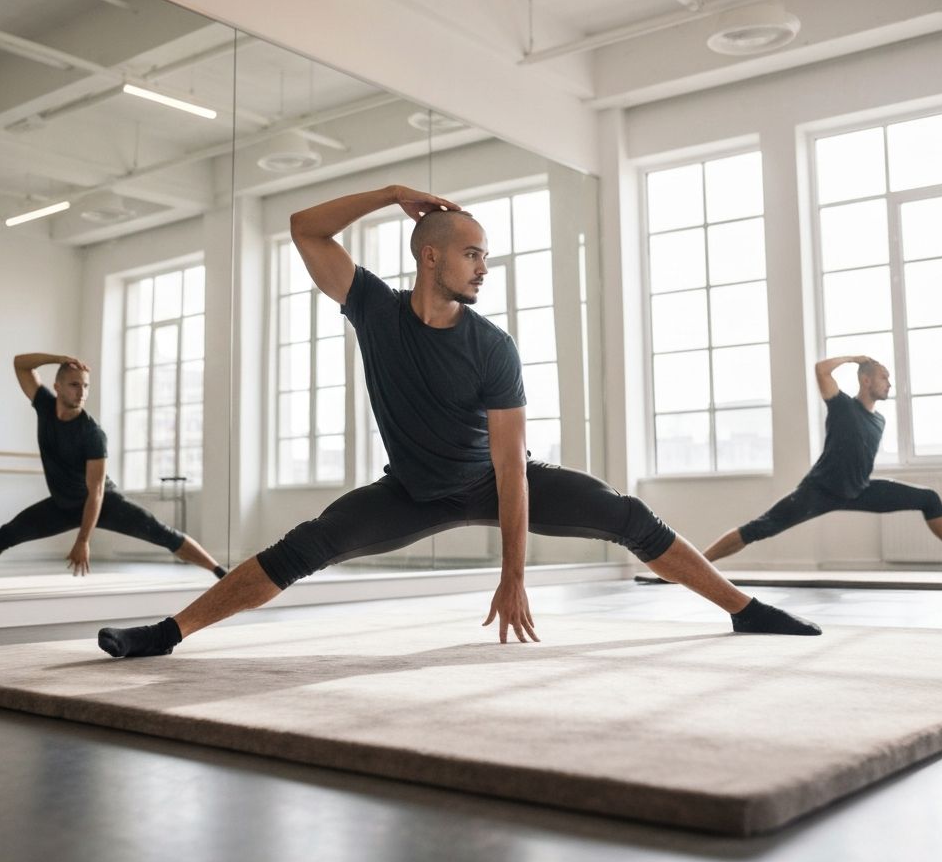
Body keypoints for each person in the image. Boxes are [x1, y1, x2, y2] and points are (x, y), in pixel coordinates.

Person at [98, 185, 820, 658]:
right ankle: (167, 633)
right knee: (304, 546)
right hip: (409, 490)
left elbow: (510, 472)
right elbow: (304, 229)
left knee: (627, 515)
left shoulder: (492, 347)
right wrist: (389, 195)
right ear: (431, 254)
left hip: (486, 481)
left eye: (487, 257)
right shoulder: (374, 308)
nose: (483, 268)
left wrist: (512, 576)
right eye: (473, 253)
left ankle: (742, 608)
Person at [0, 353, 226, 591]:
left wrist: (83, 540)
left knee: (162, 534)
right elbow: (20, 362)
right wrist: (61, 357)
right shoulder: (44, 405)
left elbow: (96, 491)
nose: (82, 392)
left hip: (104, 504)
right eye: (75, 385)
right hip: (62, 505)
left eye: (86, 386)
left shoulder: (92, 433)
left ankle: (220, 573)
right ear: (58, 387)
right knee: (6, 535)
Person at [703, 355, 942, 567]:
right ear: (866, 380)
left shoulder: (879, 420)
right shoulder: (842, 406)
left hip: (860, 490)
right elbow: (821, 370)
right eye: (884, 377)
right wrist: (853, 359)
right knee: (758, 529)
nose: (889, 384)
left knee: (929, 498)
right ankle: (697, 563)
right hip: (819, 490)